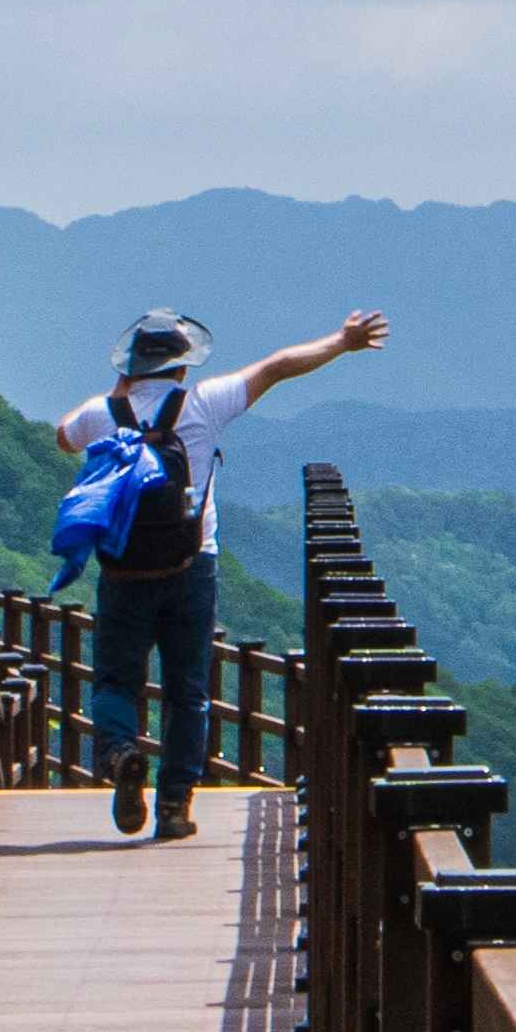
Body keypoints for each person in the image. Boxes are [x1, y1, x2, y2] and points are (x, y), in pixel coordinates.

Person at [72, 307, 388, 826]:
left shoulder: (101, 414)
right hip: (191, 565)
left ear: (129, 364)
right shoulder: (203, 403)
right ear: (181, 366)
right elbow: (277, 366)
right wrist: (342, 340)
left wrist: (117, 393)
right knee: (188, 689)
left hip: (122, 571)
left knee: (113, 681)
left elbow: (65, 436)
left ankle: (119, 753)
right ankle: (174, 806)